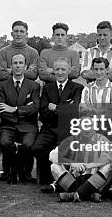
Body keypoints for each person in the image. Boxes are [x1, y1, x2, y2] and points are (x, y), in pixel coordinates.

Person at [32, 57, 83, 187]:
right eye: (57, 69)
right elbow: (43, 113)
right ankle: (47, 180)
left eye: (63, 69)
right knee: (38, 147)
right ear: (53, 71)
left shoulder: (78, 88)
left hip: (68, 130)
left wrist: (55, 108)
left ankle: (64, 179)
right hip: (49, 128)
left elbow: (74, 112)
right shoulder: (47, 88)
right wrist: (64, 108)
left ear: (69, 70)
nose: (60, 72)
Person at [0, 53, 40, 184]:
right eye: (15, 63)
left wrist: (14, 109)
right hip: (8, 125)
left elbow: (35, 108)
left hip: (28, 125)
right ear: (11, 66)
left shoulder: (33, 86)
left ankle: (24, 172)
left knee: (28, 144)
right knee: (4, 142)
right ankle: (10, 172)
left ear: (25, 66)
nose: (18, 65)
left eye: (21, 63)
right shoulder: (2, 86)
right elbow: (1, 110)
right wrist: (25, 108)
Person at [46, 128, 112, 203]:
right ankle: (89, 195)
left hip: (94, 179)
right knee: (54, 166)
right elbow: (52, 156)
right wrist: (72, 163)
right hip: (74, 179)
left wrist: (87, 166)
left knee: (108, 166)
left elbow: (108, 158)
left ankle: (74, 195)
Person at [80, 57, 112, 125]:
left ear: (107, 69)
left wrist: (92, 110)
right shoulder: (87, 89)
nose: (98, 72)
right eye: (96, 69)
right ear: (92, 70)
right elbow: (83, 111)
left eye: (101, 69)